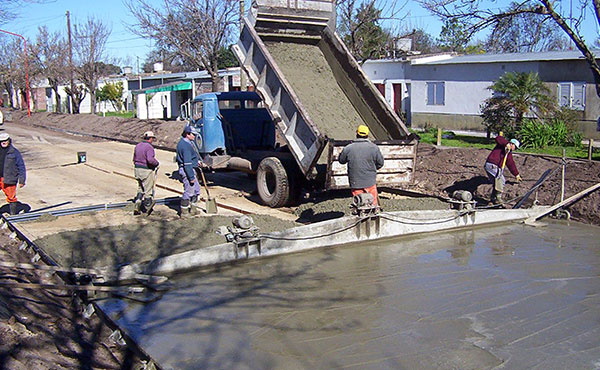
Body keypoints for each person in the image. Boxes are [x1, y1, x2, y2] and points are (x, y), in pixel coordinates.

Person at [339, 124, 384, 207]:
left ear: (357, 133)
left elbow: (341, 160)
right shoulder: (374, 148)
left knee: (359, 204)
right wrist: (372, 169)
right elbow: (380, 163)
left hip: (356, 182)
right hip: (370, 181)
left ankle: (361, 217)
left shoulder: (348, 148)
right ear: (367, 135)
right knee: (373, 204)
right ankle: (373, 215)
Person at [484, 134, 522, 205]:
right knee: (501, 180)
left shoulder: (508, 153)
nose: (514, 149)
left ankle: (492, 200)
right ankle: (498, 198)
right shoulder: (501, 145)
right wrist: (506, 144)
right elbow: (498, 138)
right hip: (492, 165)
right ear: (512, 144)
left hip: (494, 167)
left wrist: (516, 174)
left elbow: (511, 164)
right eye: (515, 147)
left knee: (496, 184)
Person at [176, 126, 202, 216]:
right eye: (193, 134)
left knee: (196, 190)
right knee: (189, 191)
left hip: (190, 168)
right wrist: (191, 177)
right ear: (187, 134)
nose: (194, 136)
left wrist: (196, 162)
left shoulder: (186, 143)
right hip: (188, 170)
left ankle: (193, 210)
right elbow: (187, 163)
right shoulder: (185, 145)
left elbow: (190, 158)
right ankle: (184, 212)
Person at [133, 130, 160, 215]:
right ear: (150, 138)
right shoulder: (149, 147)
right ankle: (148, 209)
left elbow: (134, 159)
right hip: (146, 170)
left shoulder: (138, 146)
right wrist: (156, 163)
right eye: (152, 138)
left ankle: (137, 204)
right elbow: (150, 159)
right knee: (148, 190)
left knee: (140, 188)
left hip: (137, 169)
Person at [0, 133, 26, 215]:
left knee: (11, 197)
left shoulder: (14, 152)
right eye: (1, 141)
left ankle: (13, 215)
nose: (3, 142)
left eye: (5, 141)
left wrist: (22, 180)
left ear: (9, 141)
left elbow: (21, 166)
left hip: (9, 178)